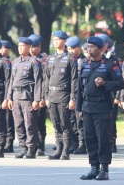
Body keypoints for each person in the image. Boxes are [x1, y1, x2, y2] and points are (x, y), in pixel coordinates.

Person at [77, 36, 124, 180]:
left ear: (101, 49)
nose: (89, 49)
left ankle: (104, 169)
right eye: (88, 46)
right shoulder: (85, 64)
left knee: (103, 138)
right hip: (87, 106)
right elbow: (80, 88)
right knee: (90, 138)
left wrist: (105, 83)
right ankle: (93, 167)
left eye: (92, 47)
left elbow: (120, 83)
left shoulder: (110, 64)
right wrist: (79, 108)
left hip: (102, 106)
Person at [44, 30, 77, 160]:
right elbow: (46, 78)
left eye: (58, 39)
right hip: (52, 95)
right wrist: (46, 96)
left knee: (65, 124)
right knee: (56, 124)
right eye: (54, 39)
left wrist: (73, 98)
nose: (56, 41)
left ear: (64, 41)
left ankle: (65, 150)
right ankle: (58, 148)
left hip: (64, 94)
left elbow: (75, 79)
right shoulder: (50, 58)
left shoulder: (70, 58)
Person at [7, 37, 42, 159]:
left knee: (30, 124)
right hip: (16, 96)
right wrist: (9, 97)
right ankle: (23, 147)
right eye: (19, 46)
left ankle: (31, 148)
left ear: (28, 47)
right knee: (18, 124)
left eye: (23, 46)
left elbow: (38, 82)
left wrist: (37, 99)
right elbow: (11, 80)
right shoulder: (15, 62)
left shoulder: (34, 62)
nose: (20, 48)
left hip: (28, 97)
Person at [96, 34, 121, 153]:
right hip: (98, 95)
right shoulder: (97, 58)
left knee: (110, 120)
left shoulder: (113, 59)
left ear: (106, 45)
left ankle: (112, 143)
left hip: (110, 94)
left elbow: (119, 80)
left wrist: (117, 97)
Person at [65, 36, 88, 155]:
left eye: (73, 48)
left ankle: (82, 144)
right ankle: (73, 143)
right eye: (69, 48)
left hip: (81, 94)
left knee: (80, 120)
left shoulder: (84, 61)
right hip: (67, 93)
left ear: (79, 48)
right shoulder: (66, 60)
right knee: (71, 120)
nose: (71, 51)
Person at [29, 34, 48, 156]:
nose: (31, 49)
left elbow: (45, 79)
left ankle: (40, 145)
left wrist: (43, 97)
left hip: (40, 94)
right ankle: (31, 145)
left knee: (40, 121)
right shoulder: (25, 59)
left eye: (33, 46)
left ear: (39, 46)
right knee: (29, 121)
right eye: (29, 46)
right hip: (27, 94)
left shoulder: (45, 59)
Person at [0, 40, 15, 153]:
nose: (1, 50)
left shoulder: (10, 62)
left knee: (8, 119)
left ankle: (9, 142)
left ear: (8, 50)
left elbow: (10, 80)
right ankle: (1, 141)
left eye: (4, 48)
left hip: (7, 93)